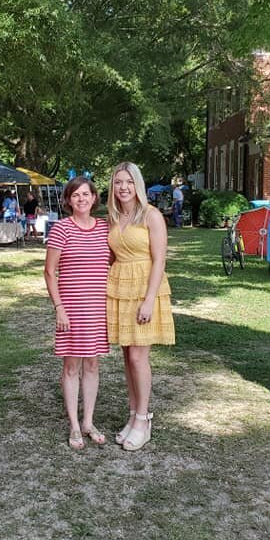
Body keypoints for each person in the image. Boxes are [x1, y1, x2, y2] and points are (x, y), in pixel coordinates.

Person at [107, 161, 175, 451]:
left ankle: (144, 420)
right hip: (120, 286)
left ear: (138, 185)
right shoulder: (113, 217)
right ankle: (133, 415)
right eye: (118, 182)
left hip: (145, 287)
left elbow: (160, 259)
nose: (123, 187)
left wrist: (149, 300)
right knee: (126, 356)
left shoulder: (151, 215)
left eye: (129, 182)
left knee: (138, 357)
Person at [44, 176, 111, 450]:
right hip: (71, 308)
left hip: (97, 308)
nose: (81, 199)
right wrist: (59, 307)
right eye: (76, 195)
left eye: (86, 194)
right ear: (68, 200)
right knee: (71, 366)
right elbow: (50, 271)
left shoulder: (105, 228)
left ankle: (88, 422)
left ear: (94, 198)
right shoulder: (62, 229)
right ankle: (73, 425)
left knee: (93, 364)